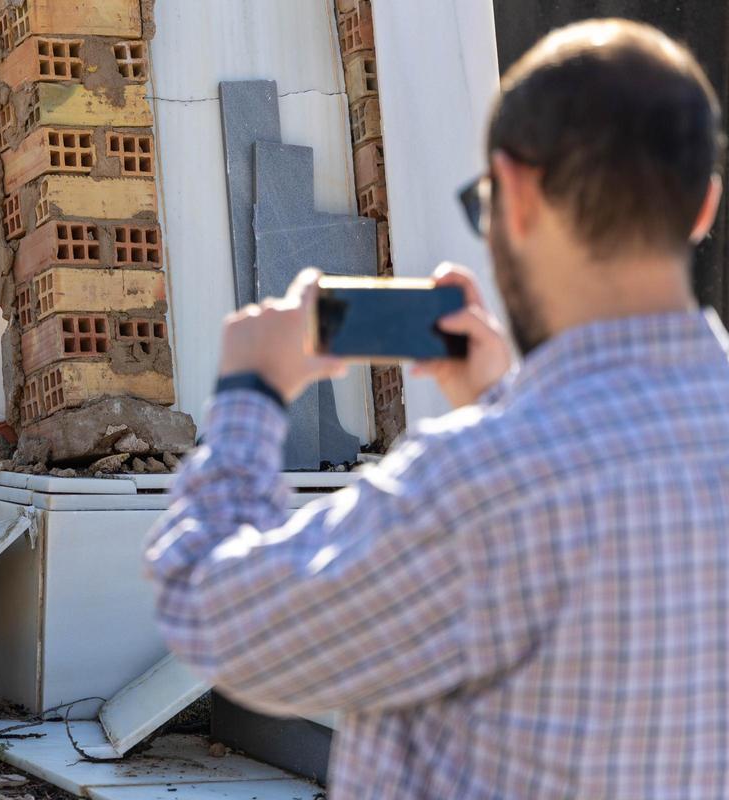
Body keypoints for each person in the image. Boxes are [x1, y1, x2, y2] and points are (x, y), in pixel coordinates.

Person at [143, 19, 727, 798]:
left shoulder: (478, 485)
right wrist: (497, 402)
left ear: (515, 194)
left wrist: (251, 395)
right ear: (703, 206)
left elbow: (213, 614)